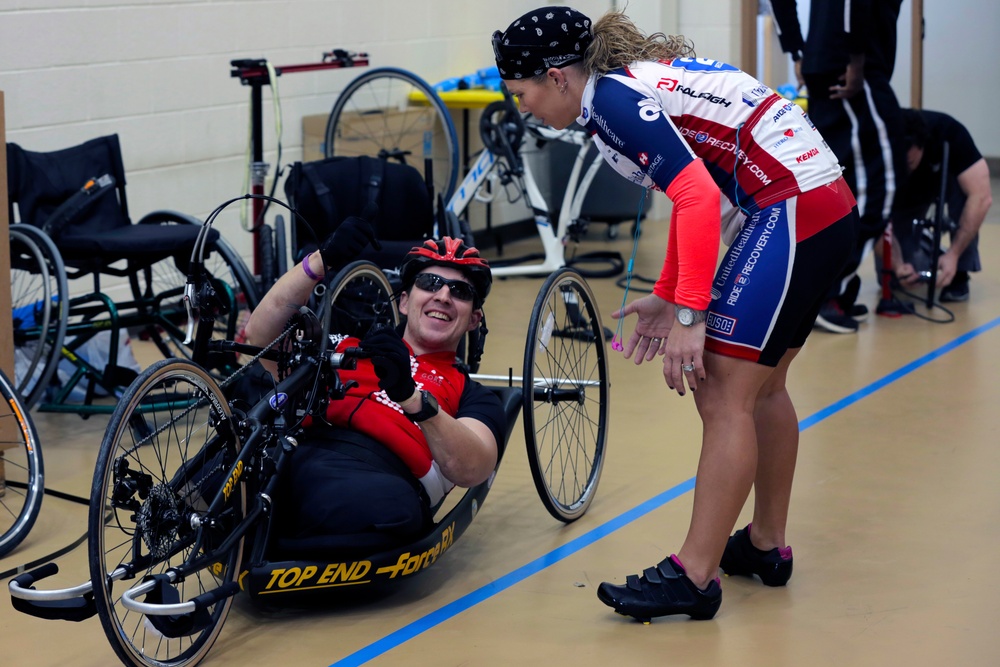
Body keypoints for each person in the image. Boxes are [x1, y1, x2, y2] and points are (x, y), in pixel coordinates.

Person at [492, 6, 858, 620]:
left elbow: (694, 194)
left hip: (790, 207)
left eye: (521, 92)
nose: (520, 106)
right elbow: (694, 193)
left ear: (557, 76)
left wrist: (691, 316)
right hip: (820, 205)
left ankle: (694, 576)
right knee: (765, 389)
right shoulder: (622, 88)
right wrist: (671, 293)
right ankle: (766, 545)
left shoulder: (610, 100)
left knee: (721, 395)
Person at [243, 219, 505, 558]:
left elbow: (472, 467)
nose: (443, 296)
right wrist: (321, 260)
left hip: (377, 476)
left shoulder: (472, 394)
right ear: (405, 302)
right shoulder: (347, 345)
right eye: (430, 283)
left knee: (390, 508)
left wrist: (411, 397)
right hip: (295, 454)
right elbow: (260, 337)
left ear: (473, 320)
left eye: (460, 291)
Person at [770, 0, 906, 332]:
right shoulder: (855, 63)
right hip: (852, 71)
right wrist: (856, 61)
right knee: (884, 184)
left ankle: (829, 292)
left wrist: (797, 53)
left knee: (836, 188)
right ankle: (828, 292)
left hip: (824, 65)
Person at [888, 108, 992, 302]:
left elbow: (982, 197)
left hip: (944, 180)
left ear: (921, 146)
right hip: (904, 196)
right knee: (901, 274)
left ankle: (959, 272)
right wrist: (897, 263)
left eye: (907, 161)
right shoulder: (876, 140)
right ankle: (926, 245)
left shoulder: (949, 131)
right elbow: (872, 213)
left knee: (966, 193)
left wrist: (954, 254)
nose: (903, 165)